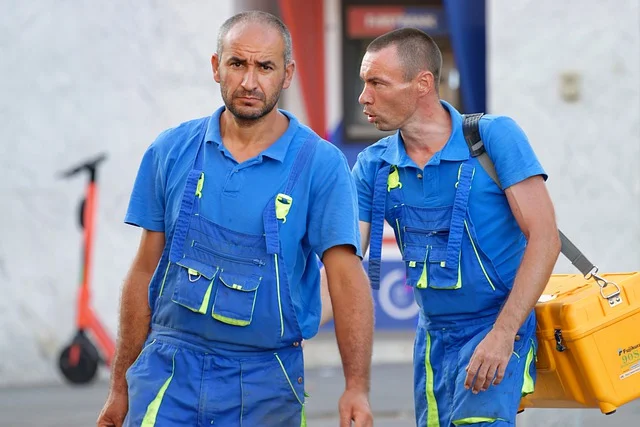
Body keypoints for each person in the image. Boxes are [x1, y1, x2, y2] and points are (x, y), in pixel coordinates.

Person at [97, 10, 374, 427]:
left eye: (265, 67)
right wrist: (119, 387)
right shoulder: (171, 150)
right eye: (237, 63)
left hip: (266, 382)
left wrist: (356, 386)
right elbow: (143, 272)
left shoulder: (321, 164)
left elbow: (347, 280)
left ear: (287, 74)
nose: (249, 81)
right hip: (167, 374)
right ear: (216, 67)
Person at [349, 28, 561, 426]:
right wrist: (294, 325)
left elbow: (545, 238)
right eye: (364, 83)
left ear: (423, 84)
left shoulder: (492, 137)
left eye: (377, 83)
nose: (363, 97)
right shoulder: (372, 165)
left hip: (497, 327)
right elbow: (343, 262)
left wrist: (503, 334)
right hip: (431, 340)